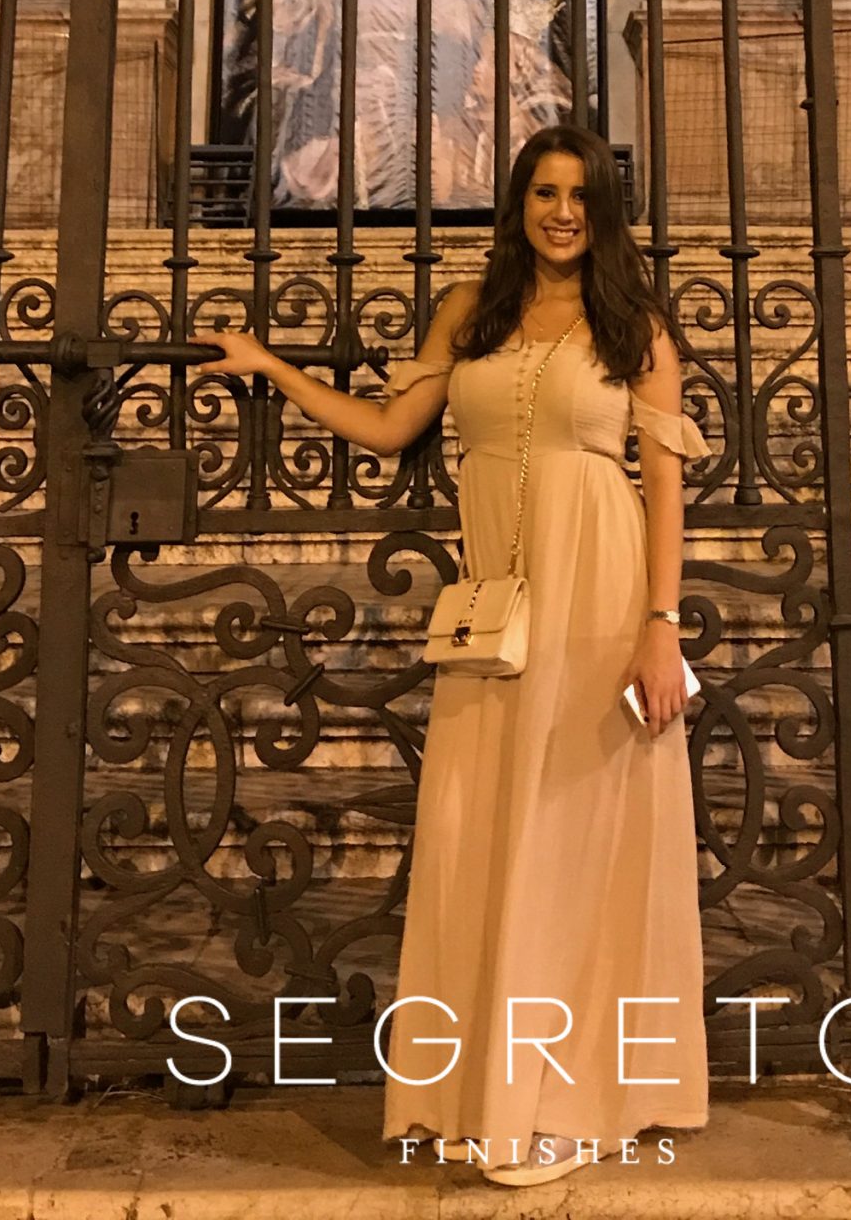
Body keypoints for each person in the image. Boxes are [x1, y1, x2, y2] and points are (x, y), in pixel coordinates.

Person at [211, 123, 710, 1186]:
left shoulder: (636, 326)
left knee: (579, 847)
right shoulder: (470, 311)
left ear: (604, 211)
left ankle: (572, 1101)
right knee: (485, 840)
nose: (563, 212)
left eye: (580, 195)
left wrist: (660, 625)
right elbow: (392, 428)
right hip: (496, 616)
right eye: (544, 192)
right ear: (518, 204)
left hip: (600, 602)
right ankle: (488, 1092)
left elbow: (665, 484)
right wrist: (272, 368)